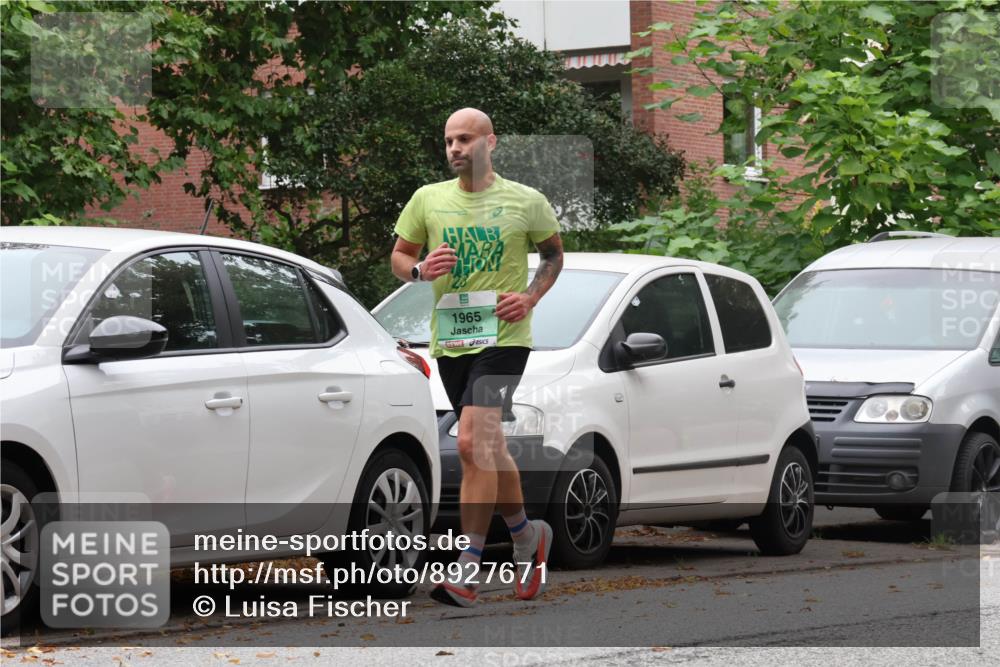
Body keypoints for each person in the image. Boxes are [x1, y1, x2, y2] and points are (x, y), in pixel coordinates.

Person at [390, 108, 564, 607]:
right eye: (448, 140)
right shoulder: (428, 199)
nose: (454, 149)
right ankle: (528, 538)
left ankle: (468, 565)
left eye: (464, 139)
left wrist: (529, 297)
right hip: (452, 340)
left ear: (491, 142)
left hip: (506, 338)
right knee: (488, 448)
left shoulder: (525, 201)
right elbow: (400, 257)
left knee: (469, 442)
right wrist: (421, 270)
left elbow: (553, 255)